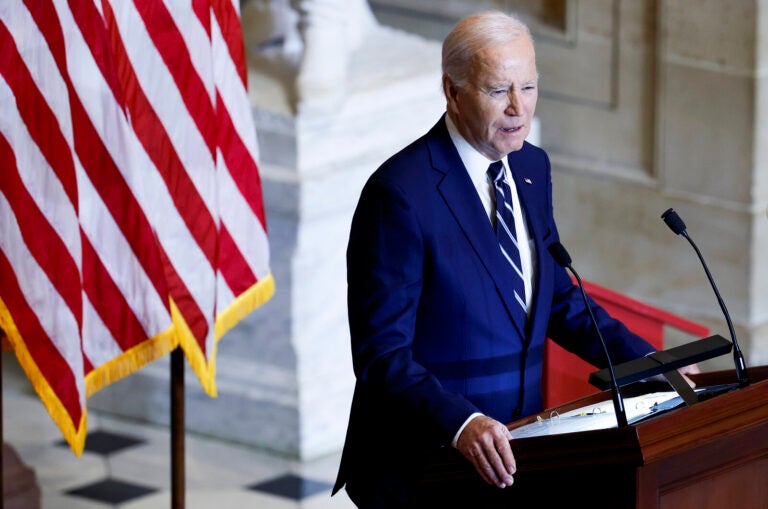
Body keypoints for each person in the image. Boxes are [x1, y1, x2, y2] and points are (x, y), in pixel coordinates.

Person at [333, 10, 693, 507]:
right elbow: (381, 355)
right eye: (499, 90)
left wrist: (650, 364)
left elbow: (556, 301)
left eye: (528, 87)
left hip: (519, 450)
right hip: (426, 464)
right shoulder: (400, 195)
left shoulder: (530, 167)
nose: (517, 109)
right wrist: (461, 422)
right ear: (452, 90)